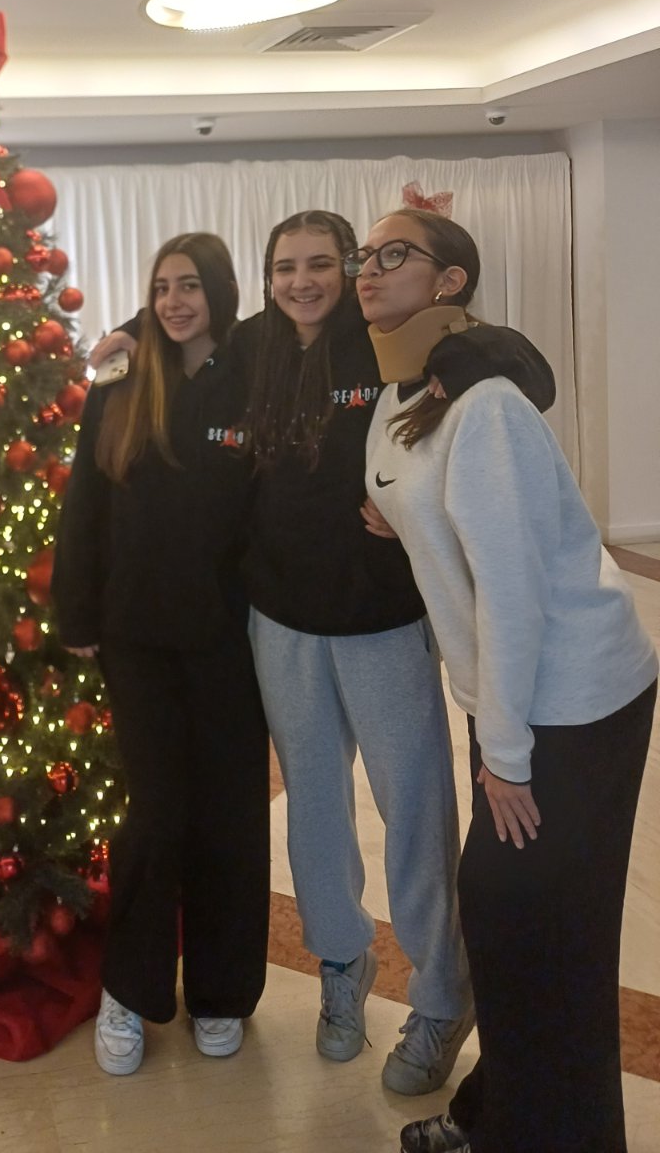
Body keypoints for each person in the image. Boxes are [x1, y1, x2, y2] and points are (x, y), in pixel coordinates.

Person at [91, 210, 553, 1097]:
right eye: (283, 268)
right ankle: (342, 966)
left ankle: (439, 995)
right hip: (280, 623)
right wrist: (134, 330)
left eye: (319, 265)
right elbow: (185, 321)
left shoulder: (385, 337)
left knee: (413, 811)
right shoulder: (254, 344)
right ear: (267, 280)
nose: (301, 282)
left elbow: (518, 369)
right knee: (314, 815)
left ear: (348, 269)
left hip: (381, 622)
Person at [352, 210, 657, 1153]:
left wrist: (507, 757)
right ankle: (503, 1115)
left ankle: (542, 1131)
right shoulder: (406, 390)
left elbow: (514, 593)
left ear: (450, 283)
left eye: (393, 255)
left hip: (574, 695)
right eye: (365, 256)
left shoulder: (484, 405)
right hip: (513, 697)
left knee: (534, 930)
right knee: (524, 931)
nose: (368, 271)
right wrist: (398, 516)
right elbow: (408, 486)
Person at [53, 234, 269, 1076]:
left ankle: (222, 993)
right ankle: (130, 989)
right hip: (136, 636)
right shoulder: (121, 377)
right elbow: (84, 498)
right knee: (155, 815)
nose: (175, 302)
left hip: (229, 639)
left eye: (191, 287)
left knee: (230, 814)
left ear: (220, 291)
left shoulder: (251, 373)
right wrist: (76, 608)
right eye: (162, 288)